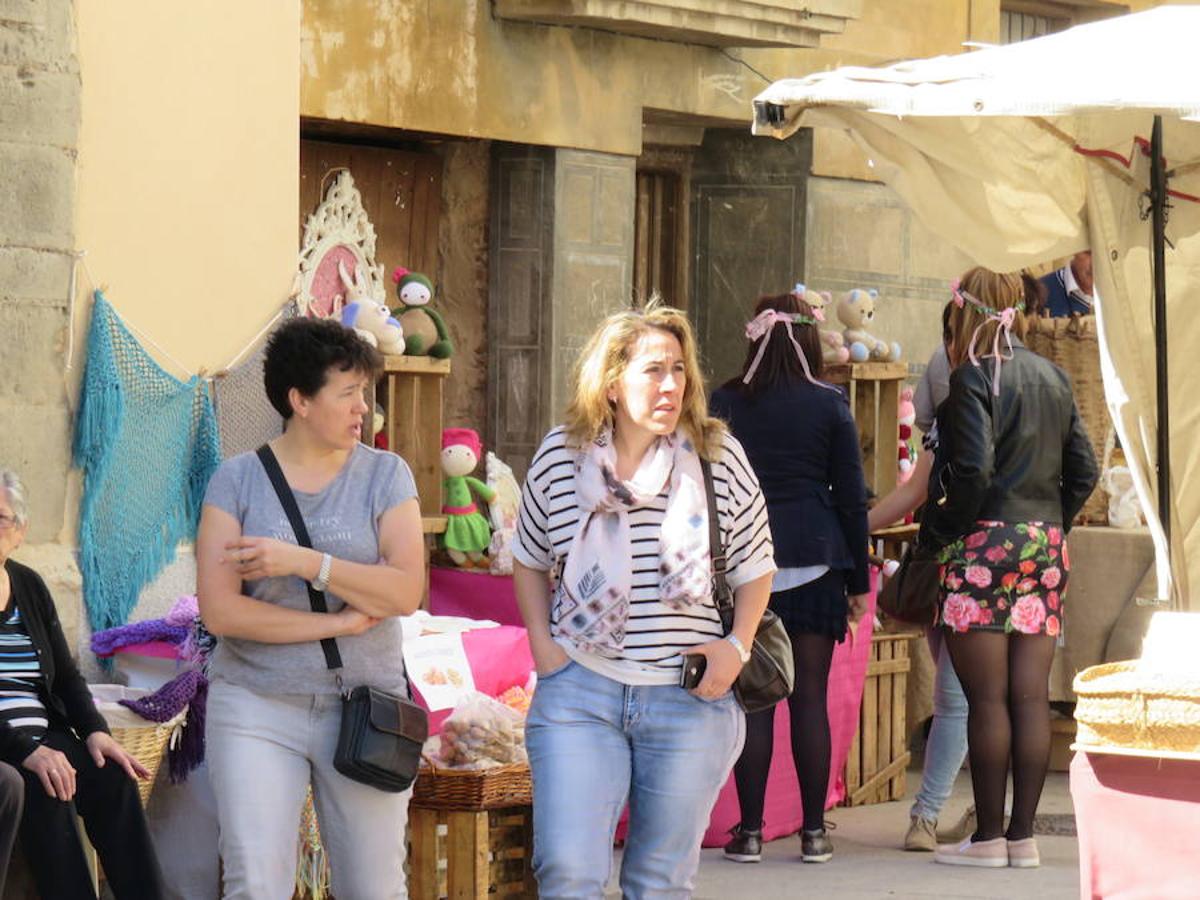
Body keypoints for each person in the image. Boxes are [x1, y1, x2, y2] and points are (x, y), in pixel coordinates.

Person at [514, 301, 776, 898]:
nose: (671, 385)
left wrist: (738, 645)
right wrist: (542, 646)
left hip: (688, 699)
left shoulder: (716, 457)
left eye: (679, 370)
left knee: (658, 881)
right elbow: (529, 557)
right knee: (567, 871)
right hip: (580, 690)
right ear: (611, 384)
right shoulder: (561, 456)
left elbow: (756, 567)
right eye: (653, 370)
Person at [197, 317, 425, 899]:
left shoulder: (386, 474)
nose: (363, 410)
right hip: (255, 702)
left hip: (365, 709)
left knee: (373, 889)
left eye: (366, 394)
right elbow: (222, 614)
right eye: (348, 393)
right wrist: (337, 621)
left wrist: (305, 563)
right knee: (255, 883)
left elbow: (404, 592)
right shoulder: (236, 481)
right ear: (299, 399)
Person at [918, 268, 1098, 868]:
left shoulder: (971, 379)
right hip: (1043, 542)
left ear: (967, 315)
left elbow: (971, 473)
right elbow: (1085, 468)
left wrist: (941, 533)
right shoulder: (1053, 375)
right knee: (1030, 699)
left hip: (983, 545)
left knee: (986, 700)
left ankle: (988, 839)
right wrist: (1052, 523)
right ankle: (1023, 838)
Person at [709, 291, 870, 865]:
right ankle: (813, 834)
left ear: (757, 335)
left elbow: (707, 486)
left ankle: (748, 833)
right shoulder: (829, 404)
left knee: (754, 702)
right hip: (818, 561)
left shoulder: (725, 400)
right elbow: (851, 498)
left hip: (747, 567)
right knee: (810, 700)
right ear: (809, 339)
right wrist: (860, 582)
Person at [0, 468, 164, 899]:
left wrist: (95, 731)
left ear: (20, 532)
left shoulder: (28, 586)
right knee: (48, 784)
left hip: (44, 734)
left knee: (113, 777)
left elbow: (68, 676)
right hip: (8, 745)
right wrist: (28, 752)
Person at [1039, 250, 1094, 317]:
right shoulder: (1036, 295)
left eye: (1104, 254)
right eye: (1088, 253)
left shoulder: (1109, 298)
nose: (1094, 265)